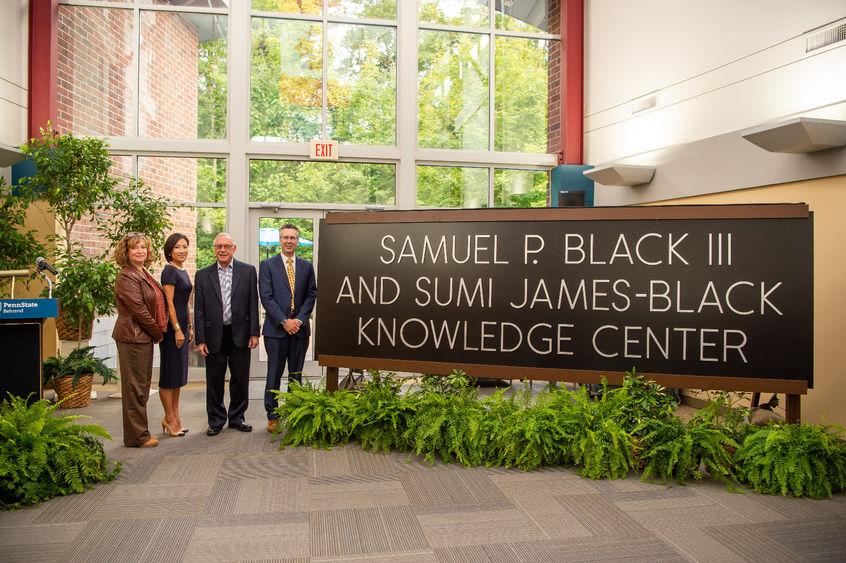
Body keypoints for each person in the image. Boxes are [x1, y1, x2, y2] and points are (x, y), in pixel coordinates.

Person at [194, 233, 259, 436]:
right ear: (215, 249)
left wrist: (254, 333)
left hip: (239, 333)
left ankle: (237, 418)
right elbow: (199, 310)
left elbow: (253, 303)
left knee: (240, 378)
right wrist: (200, 339)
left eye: (226, 246)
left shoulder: (248, 272)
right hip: (214, 335)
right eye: (218, 246)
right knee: (214, 379)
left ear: (234, 248)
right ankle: (215, 420)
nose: (222, 250)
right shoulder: (203, 275)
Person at [259, 223, 317, 433]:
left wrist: (299, 321)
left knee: (296, 374)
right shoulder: (267, 265)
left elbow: (312, 294)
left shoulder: (306, 266)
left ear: (298, 241)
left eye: (293, 238)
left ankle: (294, 412)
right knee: (273, 373)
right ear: (279, 240)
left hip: (299, 330)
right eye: (285, 237)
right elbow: (266, 297)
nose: (289, 241)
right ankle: (272, 416)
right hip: (276, 330)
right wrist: (284, 321)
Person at [112, 233, 166, 448]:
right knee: (135, 388)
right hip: (133, 336)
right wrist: (158, 333)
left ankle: (139, 433)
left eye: (143, 247)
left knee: (142, 386)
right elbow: (139, 310)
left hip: (142, 336)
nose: (140, 251)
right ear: (126, 252)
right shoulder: (126, 276)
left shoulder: (142, 272)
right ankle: (137, 437)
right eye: (134, 248)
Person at [158, 233, 193, 437]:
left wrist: (188, 328)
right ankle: (168, 418)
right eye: (178, 247)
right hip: (172, 330)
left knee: (179, 376)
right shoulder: (169, 272)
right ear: (169, 251)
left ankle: (175, 416)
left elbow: (185, 302)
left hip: (182, 326)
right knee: (169, 376)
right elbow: (169, 302)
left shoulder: (182, 270)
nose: (182, 250)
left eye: (185, 246)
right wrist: (177, 328)